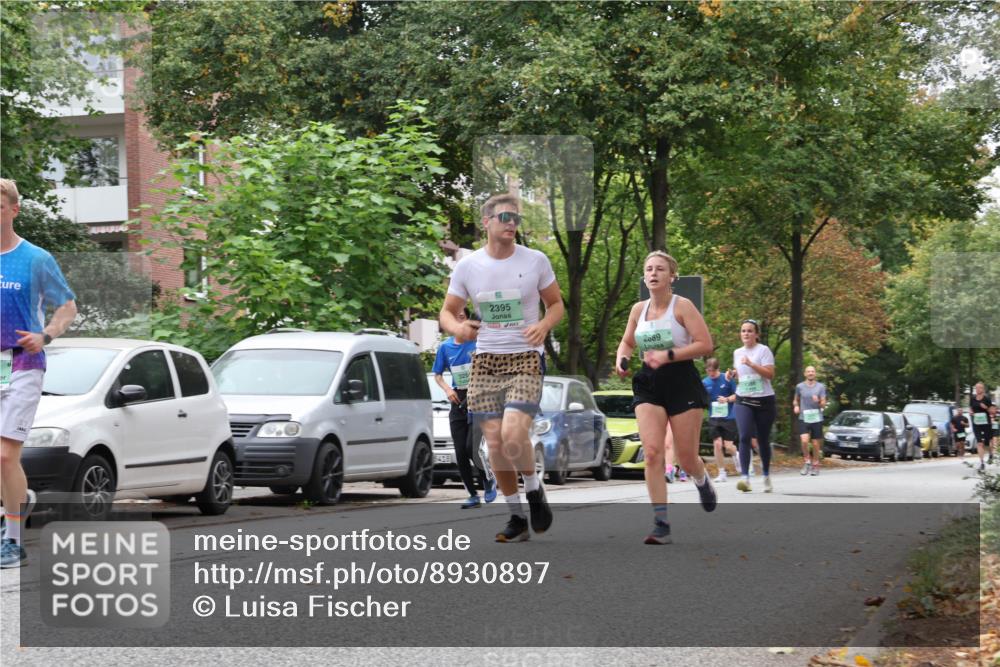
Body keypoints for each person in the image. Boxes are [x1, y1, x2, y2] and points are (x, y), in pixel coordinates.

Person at [439, 194, 564, 543]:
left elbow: (555, 305)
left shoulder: (535, 260)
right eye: (505, 217)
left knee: (512, 435)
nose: (511, 223)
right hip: (485, 361)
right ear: (487, 222)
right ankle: (515, 516)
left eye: (516, 219)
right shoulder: (468, 267)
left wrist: (543, 325)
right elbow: (447, 312)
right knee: (494, 443)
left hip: (525, 356)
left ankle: (535, 490)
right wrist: (457, 329)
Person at [1, 178, 77, 568]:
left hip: (22, 364)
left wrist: (45, 335)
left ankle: (13, 540)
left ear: (14, 210)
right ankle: (15, 504)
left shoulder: (35, 259)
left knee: (4, 456)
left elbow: (67, 308)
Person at [615, 251, 715, 545]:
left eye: (660, 269)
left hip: (681, 380)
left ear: (672, 276)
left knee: (685, 457)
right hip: (649, 382)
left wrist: (669, 354)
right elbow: (627, 341)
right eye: (648, 269)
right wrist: (623, 358)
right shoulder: (638, 310)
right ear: (644, 276)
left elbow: (705, 344)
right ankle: (661, 522)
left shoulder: (682, 306)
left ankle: (701, 478)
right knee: (654, 453)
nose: (653, 273)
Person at [432, 308, 497, 508]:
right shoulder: (445, 347)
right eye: (456, 317)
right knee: (460, 451)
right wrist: (447, 390)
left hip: (478, 397)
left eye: (463, 316)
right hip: (457, 398)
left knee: (471, 447)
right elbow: (437, 374)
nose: (459, 320)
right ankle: (472, 495)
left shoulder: (478, 344)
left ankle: (488, 479)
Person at [732, 319, 777, 494]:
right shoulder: (737, 352)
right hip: (743, 399)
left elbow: (770, 374)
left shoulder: (763, 350)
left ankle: (766, 475)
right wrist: (733, 374)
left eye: (750, 331)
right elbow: (742, 376)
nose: (746, 334)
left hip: (764, 400)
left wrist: (751, 363)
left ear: (756, 334)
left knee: (763, 441)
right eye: (743, 331)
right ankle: (745, 478)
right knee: (744, 437)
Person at [702, 358, 738, 483]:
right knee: (717, 444)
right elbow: (701, 398)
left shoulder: (727, 378)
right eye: (708, 370)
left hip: (729, 417)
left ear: (718, 369)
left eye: (713, 370)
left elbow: (737, 395)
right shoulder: (705, 382)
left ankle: (736, 455)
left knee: (728, 447)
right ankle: (722, 473)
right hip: (714, 417)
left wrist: (727, 399)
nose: (711, 373)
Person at [793, 366, 828, 476]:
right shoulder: (800, 386)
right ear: (805, 374)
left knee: (815, 443)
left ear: (815, 374)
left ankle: (816, 464)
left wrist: (818, 401)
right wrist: (796, 406)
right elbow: (795, 400)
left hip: (816, 417)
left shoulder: (820, 387)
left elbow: (823, 403)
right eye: (808, 371)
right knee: (804, 440)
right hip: (804, 416)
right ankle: (807, 461)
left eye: (812, 371)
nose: (810, 373)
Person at [970, 383, 994, 472]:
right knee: (980, 443)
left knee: (988, 443)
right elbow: (971, 408)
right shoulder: (972, 398)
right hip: (976, 423)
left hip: (986, 423)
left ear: (983, 389)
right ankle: (982, 463)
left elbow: (992, 412)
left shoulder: (987, 399)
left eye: (979, 388)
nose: (977, 389)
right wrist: (971, 412)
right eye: (976, 388)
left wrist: (986, 408)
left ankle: (991, 454)